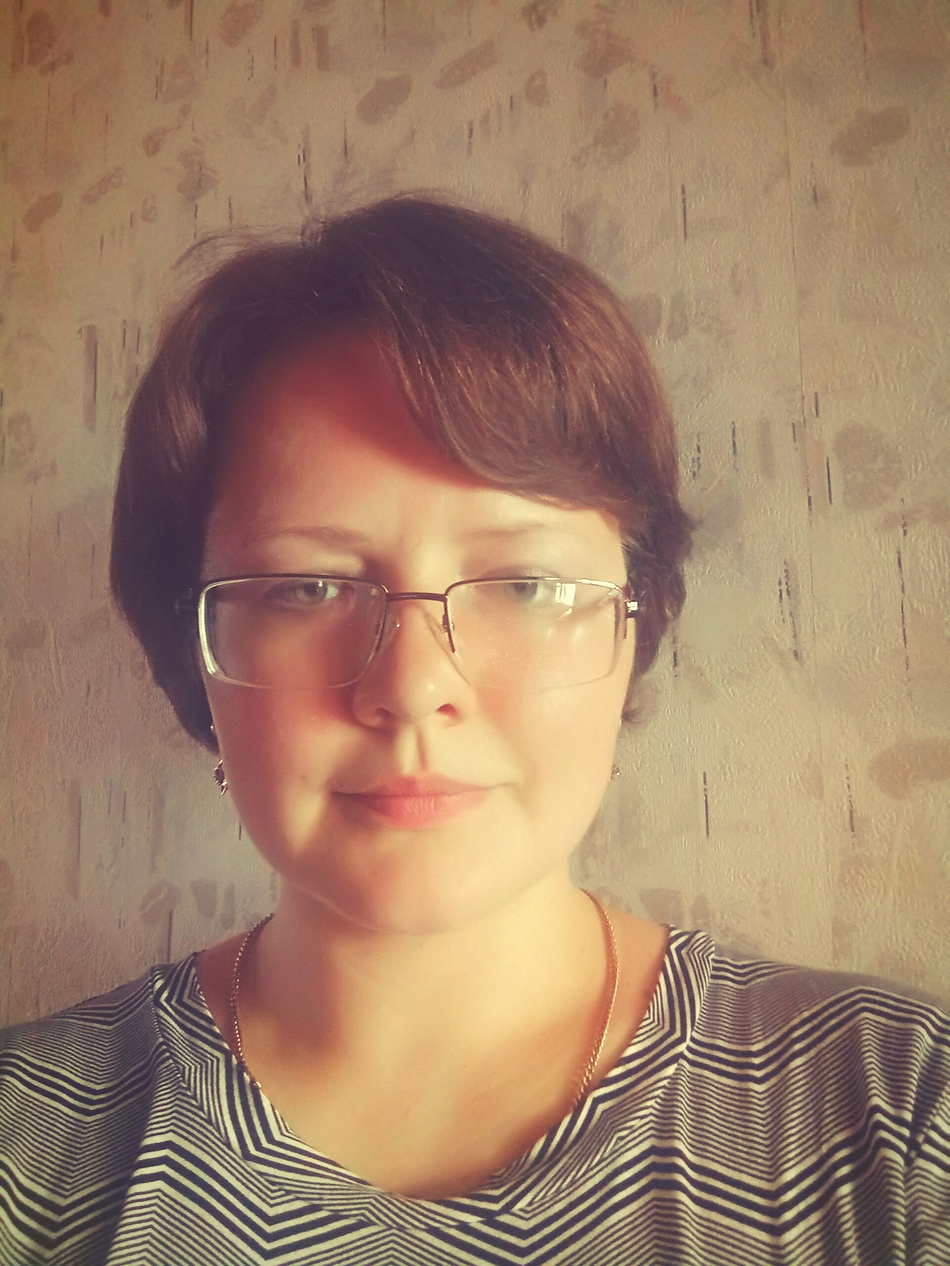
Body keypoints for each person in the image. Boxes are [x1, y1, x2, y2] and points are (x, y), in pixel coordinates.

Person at [1, 195, 947, 1266]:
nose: (412, 689)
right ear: (195, 654)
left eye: (524, 583)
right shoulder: (29, 1143)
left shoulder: (903, 1118)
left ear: (634, 625)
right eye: (308, 586)